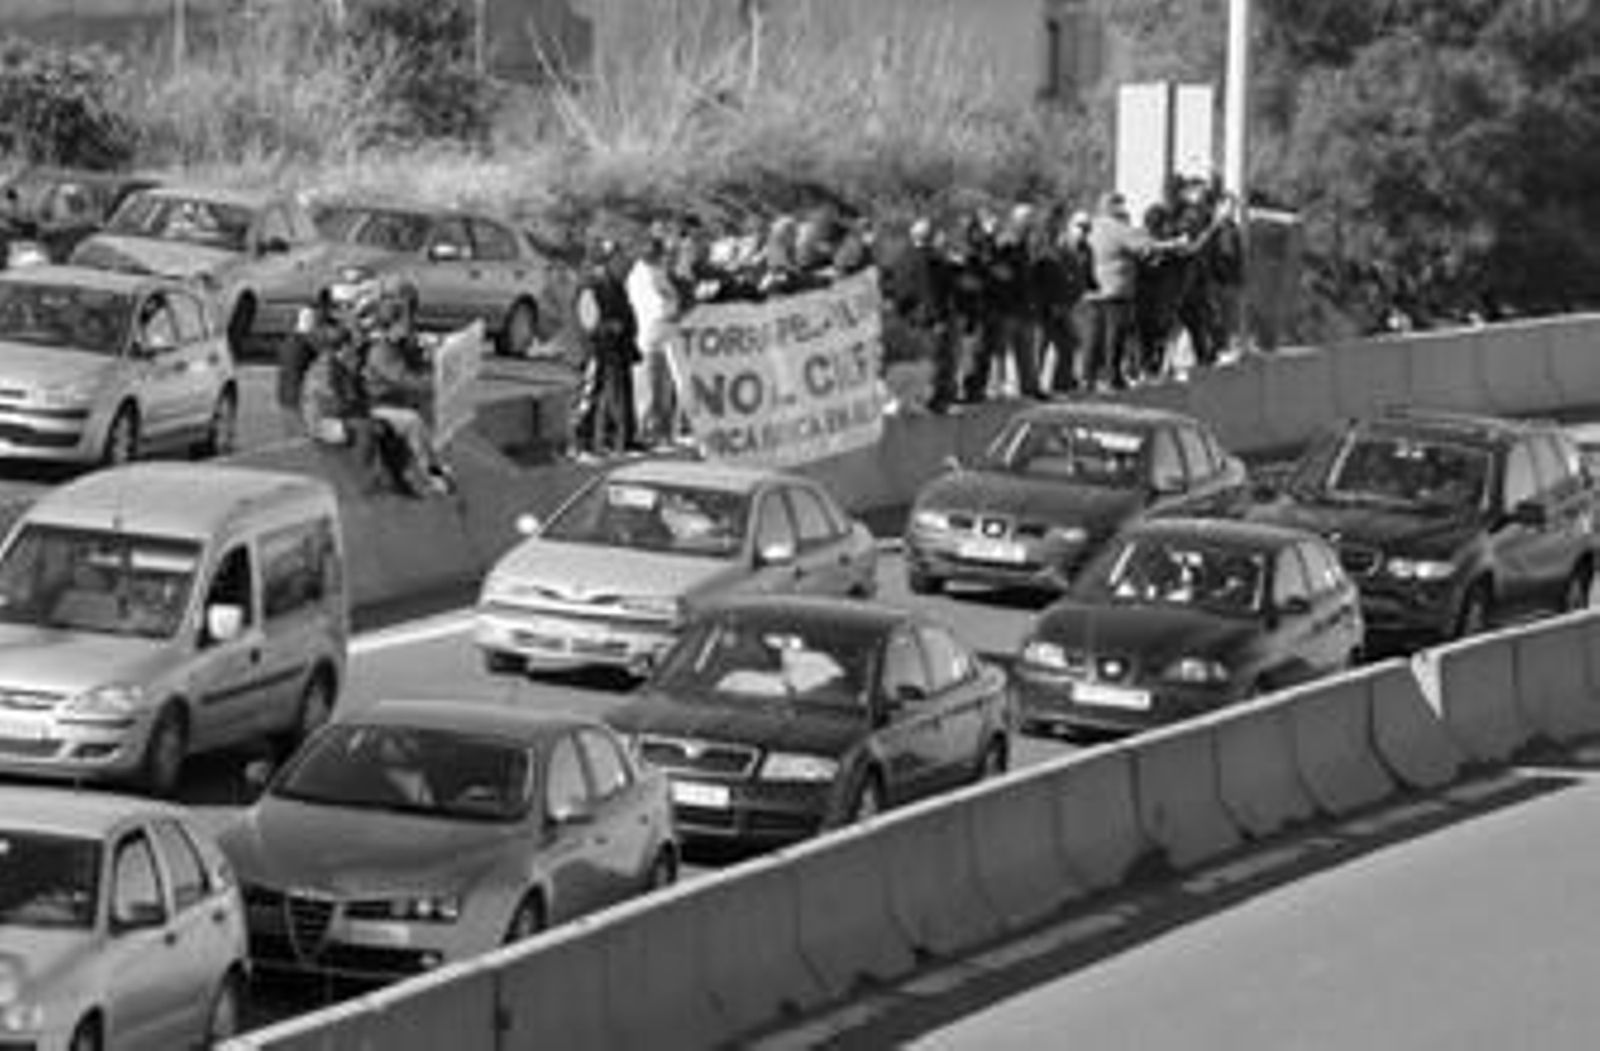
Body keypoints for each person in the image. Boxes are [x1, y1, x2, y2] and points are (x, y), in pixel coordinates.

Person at [572, 238, 640, 458]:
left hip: (619, 349)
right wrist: (607, 328)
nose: (625, 263)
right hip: (600, 349)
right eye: (620, 258)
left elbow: (627, 316)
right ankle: (584, 441)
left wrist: (625, 331)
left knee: (618, 399)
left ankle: (619, 439)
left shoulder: (616, 283)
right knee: (594, 395)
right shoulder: (593, 283)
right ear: (609, 259)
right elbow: (586, 319)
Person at [626, 229, 682, 448]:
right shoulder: (646, 274)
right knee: (652, 389)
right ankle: (650, 433)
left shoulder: (651, 272)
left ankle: (661, 433)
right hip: (651, 336)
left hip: (658, 336)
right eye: (661, 252)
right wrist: (673, 309)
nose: (664, 256)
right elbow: (663, 305)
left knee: (660, 388)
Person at [278, 287, 339, 439]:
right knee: (303, 439)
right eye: (328, 308)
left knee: (295, 438)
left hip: (288, 394)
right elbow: (325, 352)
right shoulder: (306, 337)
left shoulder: (293, 336)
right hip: (298, 396)